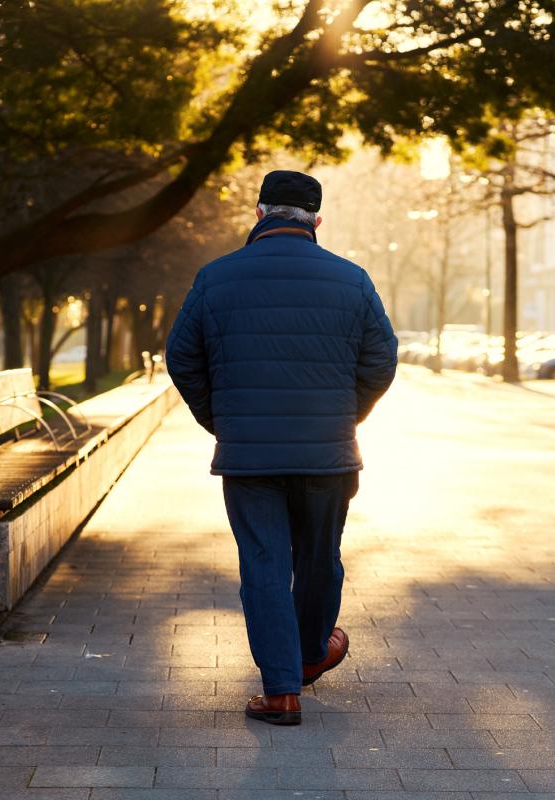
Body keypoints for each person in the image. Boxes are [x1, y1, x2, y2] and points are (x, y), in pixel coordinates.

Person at [165, 170, 398, 726]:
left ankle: (281, 692)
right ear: (317, 220)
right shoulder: (352, 279)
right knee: (320, 559)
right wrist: (348, 415)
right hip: (328, 453)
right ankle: (313, 650)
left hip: (251, 458)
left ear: (259, 213)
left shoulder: (215, 278)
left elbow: (182, 359)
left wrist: (224, 421)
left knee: (265, 564)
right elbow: (381, 362)